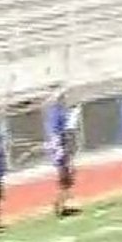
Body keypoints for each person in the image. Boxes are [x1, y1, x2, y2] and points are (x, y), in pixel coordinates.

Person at [44, 88, 78, 218]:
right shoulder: (56, 113)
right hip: (60, 150)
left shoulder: (58, 112)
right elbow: (58, 132)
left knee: (68, 180)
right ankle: (59, 205)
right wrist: (61, 149)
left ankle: (66, 205)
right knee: (65, 180)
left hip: (62, 148)